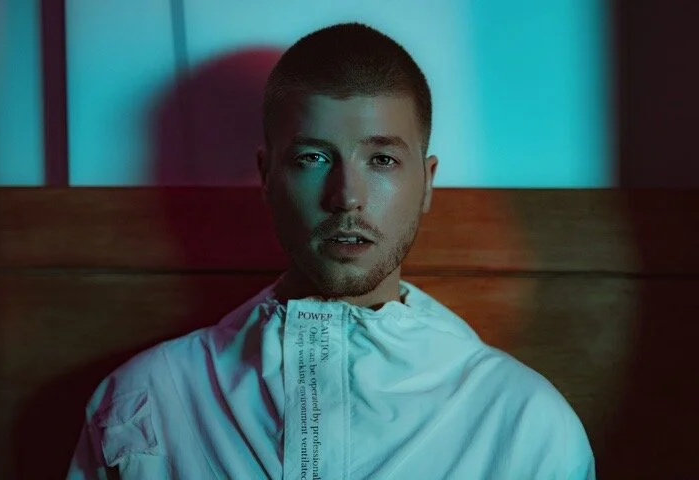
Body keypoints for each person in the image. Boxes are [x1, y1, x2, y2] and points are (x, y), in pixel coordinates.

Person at [66, 22, 595, 479]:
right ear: (266, 176)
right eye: (313, 158)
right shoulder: (145, 409)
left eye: (382, 160)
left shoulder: (526, 426)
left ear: (428, 183)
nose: (346, 197)